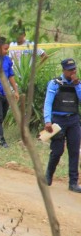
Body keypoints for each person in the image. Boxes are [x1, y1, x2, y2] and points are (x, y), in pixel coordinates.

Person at [43, 58, 81, 193]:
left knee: (74, 151)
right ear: (64, 70)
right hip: (58, 121)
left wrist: (77, 85)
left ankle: (73, 183)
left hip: (74, 120)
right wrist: (47, 120)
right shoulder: (54, 83)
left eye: (74, 69)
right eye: (70, 69)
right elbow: (48, 102)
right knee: (57, 151)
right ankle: (48, 175)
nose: (73, 71)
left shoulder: (78, 84)